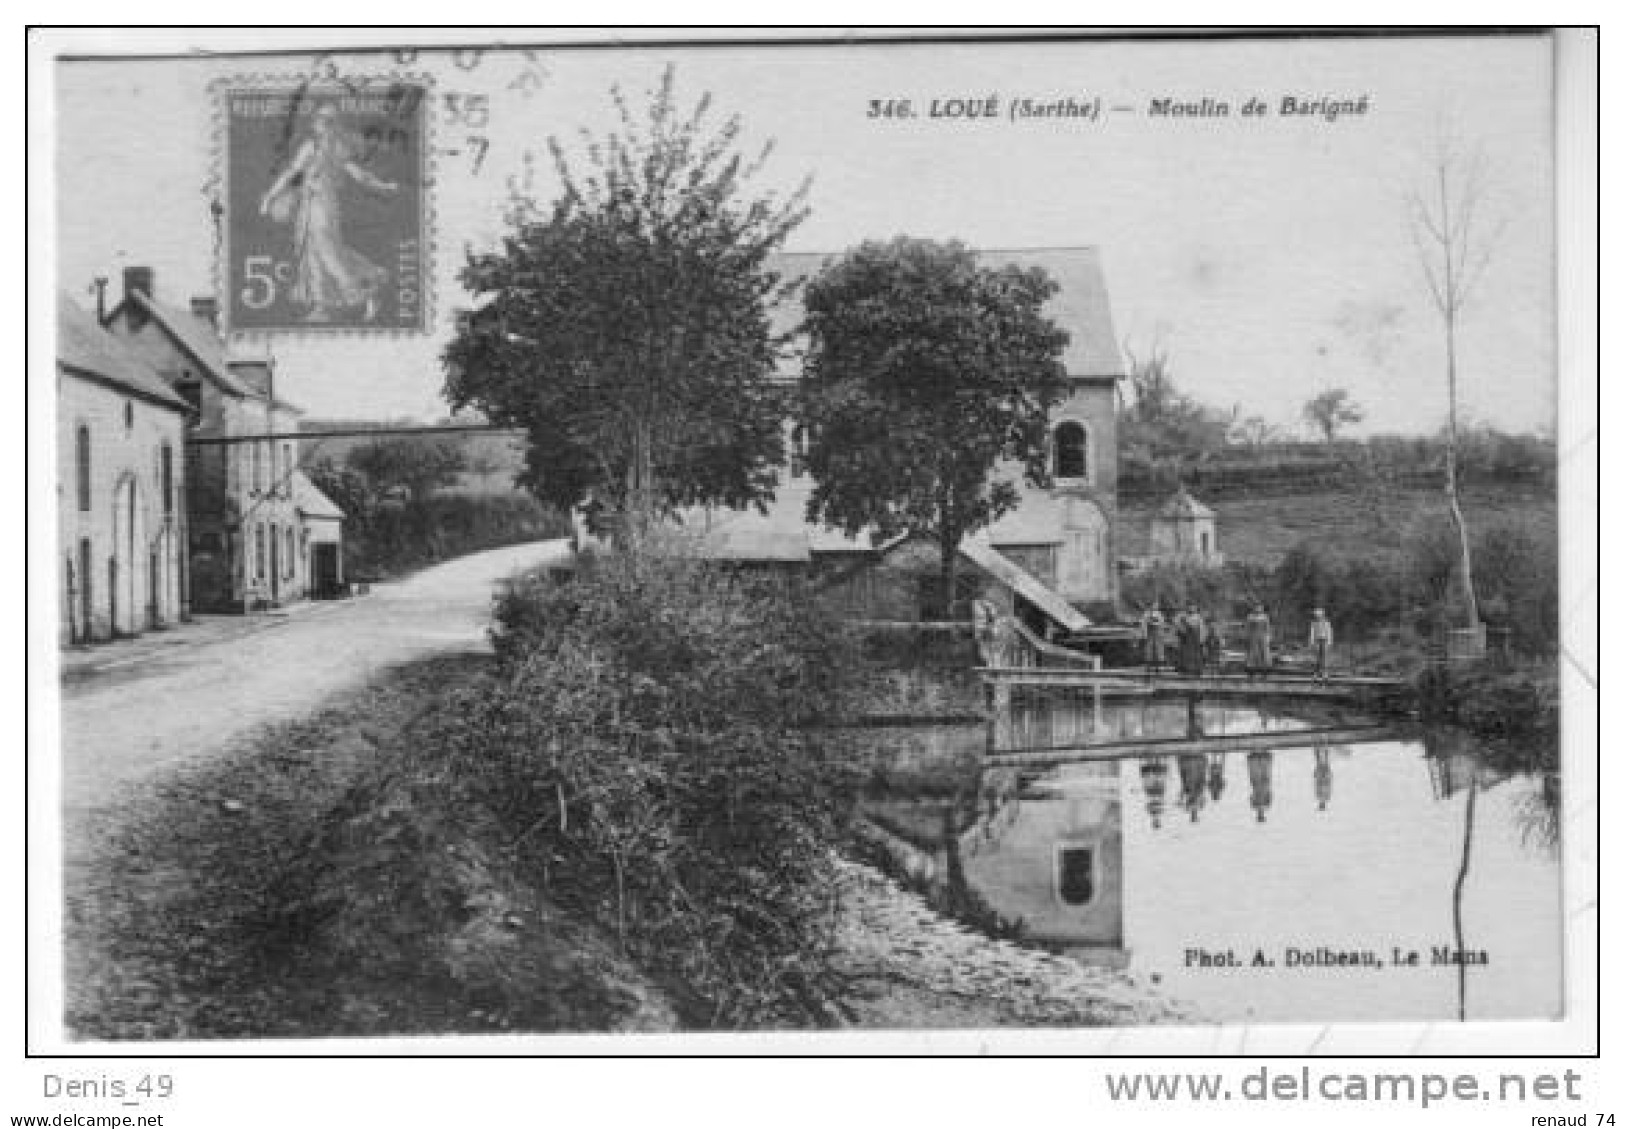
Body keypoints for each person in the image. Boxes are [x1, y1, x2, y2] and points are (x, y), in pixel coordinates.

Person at [259, 102, 399, 323]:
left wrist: (383, 187)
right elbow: (290, 174)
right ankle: (321, 306)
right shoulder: (309, 148)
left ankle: (366, 293)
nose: (321, 126)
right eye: (319, 121)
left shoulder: (338, 148)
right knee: (312, 253)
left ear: (333, 125)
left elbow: (359, 175)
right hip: (308, 206)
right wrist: (270, 196)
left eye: (326, 122)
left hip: (324, 206)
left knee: (328, 252)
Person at [1244, 602, 1273, 678]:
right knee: (1253, 654)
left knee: (1264, 654)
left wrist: (1268, 637)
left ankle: (1265, 672)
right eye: (1257, 607)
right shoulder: (1250, 617)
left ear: (1262, 608)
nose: (1258, 609)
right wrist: (1247, 636)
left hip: (1263, 637)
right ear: (1254, 608)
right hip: (1253, 637)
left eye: (1260, 607)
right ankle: (1251, 672)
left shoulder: (1265, 617)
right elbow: (1247, 628)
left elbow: (1267, 628)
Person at [1177, 602, 1206, 675]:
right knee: (1185, 654)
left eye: (1193, 607)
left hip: (1195, 639)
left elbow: (1202, 628)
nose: (1191, 609)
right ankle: (1185, 669)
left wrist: (1202, 639)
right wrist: (1182, 631)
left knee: (1196, 654)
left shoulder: (1198, 618)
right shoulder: (1183, 617)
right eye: (1189, 607)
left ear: (1196, 608)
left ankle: (1197, 670)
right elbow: (1179, 626)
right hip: (1187, 639)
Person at [1308, 607, 1335, 681]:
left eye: (1319, 615)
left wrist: (1329, 642)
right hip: (1317, 641)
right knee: (1317, 658)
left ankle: (1325, 673)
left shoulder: (1327, 623)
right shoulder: (1314, 623)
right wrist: (1311, 642)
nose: (1318, 617)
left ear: (1322, 615)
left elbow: (1329, 632)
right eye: (1316, 615)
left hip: (1325, 641)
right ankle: (1316, 673)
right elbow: (1312, 633)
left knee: (1325, 658)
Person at [1142, 604, 1167, 672]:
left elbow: (1162, 623)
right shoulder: (1146, 614)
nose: (1154, 607)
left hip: (1158, 633)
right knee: (1149, 649)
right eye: (1153, 605)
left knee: (1159, 649)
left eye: (1155, 606)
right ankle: (1148, 665)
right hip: (1149, 633)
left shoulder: (1159, 614)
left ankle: (1159, 666)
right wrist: (1145, 634)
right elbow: (1143, 624)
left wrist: (1161, 632)